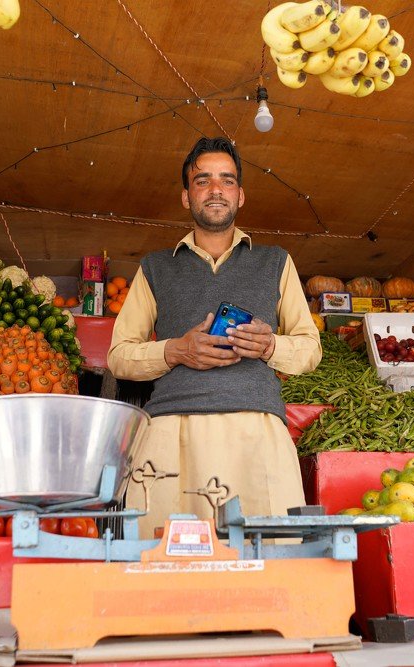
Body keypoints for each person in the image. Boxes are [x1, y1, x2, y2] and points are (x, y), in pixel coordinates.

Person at [107, 136, 322, 536]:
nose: (216, 189)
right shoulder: (155, 267)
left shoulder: (275, 261)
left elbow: (311, 348)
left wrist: (271, 344)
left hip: (256, 431)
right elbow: (119, 355)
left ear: (240, 195)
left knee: (270, 561)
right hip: (173, 433)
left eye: (226, 180)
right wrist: (175, 351)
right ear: (186, 196)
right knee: (168, 565)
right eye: (202, 180)